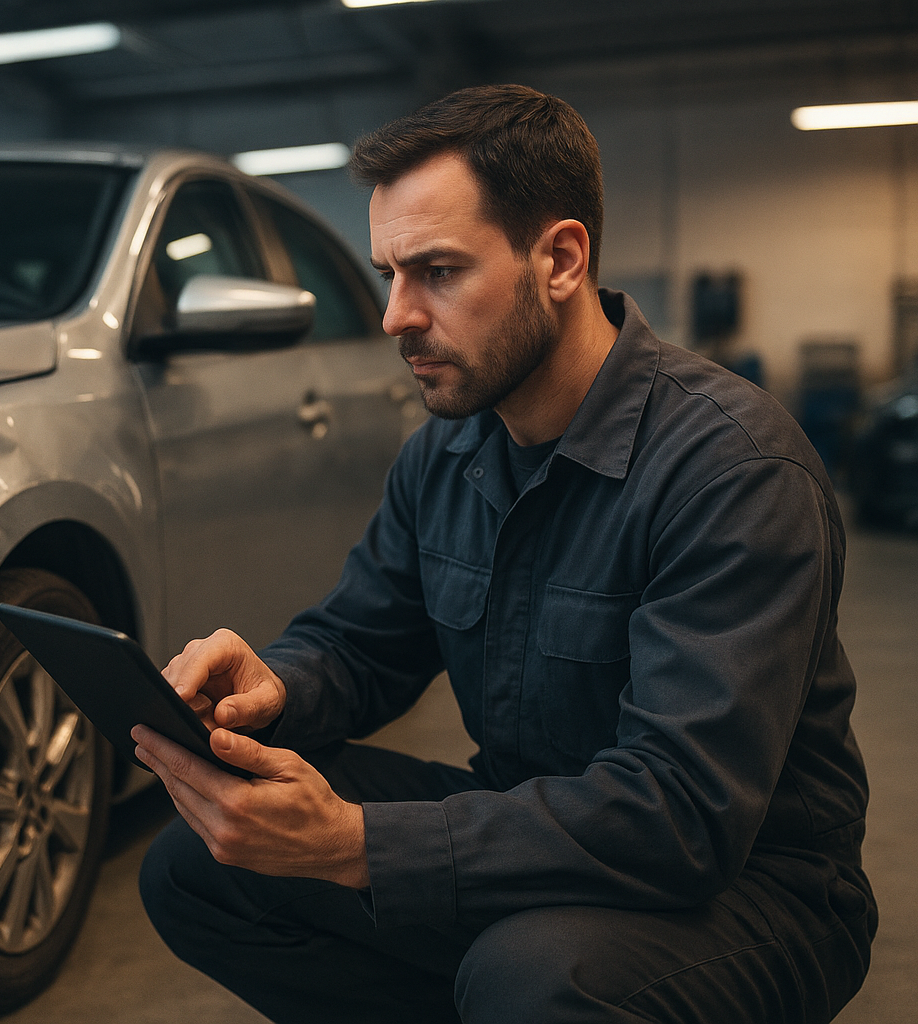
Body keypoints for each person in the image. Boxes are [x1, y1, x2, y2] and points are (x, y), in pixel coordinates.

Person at [133, 84, 876, 1024]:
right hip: (532, 824)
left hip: (754, 887)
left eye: (437, 271)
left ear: (560, 259)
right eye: (389, 273)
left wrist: (356, 844)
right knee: (197, 863)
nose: (397, 314)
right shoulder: (445, 452)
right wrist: (275, 686)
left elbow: (682, 815)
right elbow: (362, 643)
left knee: (532, 976)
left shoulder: (733, 469)